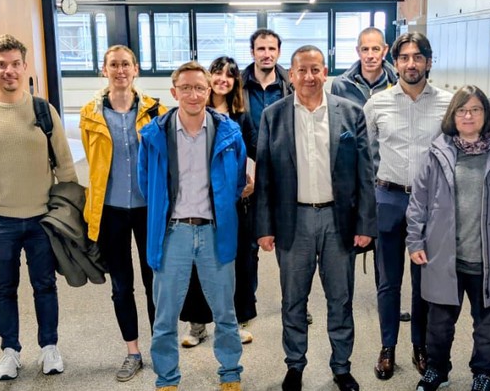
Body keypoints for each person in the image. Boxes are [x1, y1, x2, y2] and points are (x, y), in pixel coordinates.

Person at [255, 45, 376, 391]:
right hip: (294, 222)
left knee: (341, 298)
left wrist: (365, 224)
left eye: (316, 70)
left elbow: (365, 175)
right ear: (290, 76)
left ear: (326, 72)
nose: (309, 77)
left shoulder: (351, 114)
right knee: (293, 300)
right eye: (302, 71)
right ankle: (295, 365)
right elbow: (264, 177)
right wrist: (263, 228)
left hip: (338, 222)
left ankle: (341, 366)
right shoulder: (274, 116)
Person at [0, 34, 78, 381]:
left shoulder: (43, 110)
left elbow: (65, 166)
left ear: (25, 67)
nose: (8, 71)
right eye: (1, 65)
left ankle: (49, 347)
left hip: (41, 216)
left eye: (15, 64)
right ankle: (9, 351)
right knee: (4, 287)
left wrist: (67, 212)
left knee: (44, 285)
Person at [407, 85, 490, 391]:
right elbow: (419, 200)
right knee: (438, 325)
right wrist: (415, 240)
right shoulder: (438, 149)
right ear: (453, 115)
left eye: (475, 110)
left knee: (487, 326)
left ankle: (483, 373)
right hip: (445, 256)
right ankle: (437, 370)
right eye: (462, 110)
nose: (468, 116)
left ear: (485, 114)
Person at [138, 61, 247, 391]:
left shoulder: (228, 132)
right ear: (174, 92)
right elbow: (147, 184)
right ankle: (167, 378)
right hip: (174, 233)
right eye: (185, 88)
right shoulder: (155, 135)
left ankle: (230, 373)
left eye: (199, 88)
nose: (193, 94)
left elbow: (238, 178)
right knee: (166, 316)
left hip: (215, 231)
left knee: (226, 312)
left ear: (209, 90)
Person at [362, 32, 451, 380]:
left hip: (430, 204)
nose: (410, 63)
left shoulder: (448, 102)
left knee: (423, 281)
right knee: (388, 282)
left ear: (429, 61)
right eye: (404, 57)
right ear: (394, 62)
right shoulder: (377, 104)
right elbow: (361, 154)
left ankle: (420, 346)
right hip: (388, 199)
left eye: (418, 57)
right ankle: (388, 347)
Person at [78, 45, 165, 383]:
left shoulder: (156, 110)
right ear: (104, 70)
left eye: (125, 64)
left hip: (148, 208)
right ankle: (132, 351)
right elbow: (92, 161)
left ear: (136, 69)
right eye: (113, 65)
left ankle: (161, 345)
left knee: (153, 280)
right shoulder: (90, 113)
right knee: (120, 285)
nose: (120, 70)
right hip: (110, 208)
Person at [180, 56, 258, 348]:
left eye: (229, 75)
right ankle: (197, 324)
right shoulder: (194, 109)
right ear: (208, 76)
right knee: (196, 261)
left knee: (233, 262)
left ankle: (234, 322)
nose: (223, 79)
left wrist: (249, 181)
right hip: (197, 201)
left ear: (235, 82)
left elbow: (252, 152)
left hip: (233, 202)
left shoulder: (241, 116)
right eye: (217, 73)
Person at [241, 28, 291, 137]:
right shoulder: (238, 87)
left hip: (281, 153)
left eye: (272, 49)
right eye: (261, 49)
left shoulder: (291, 87)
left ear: (279, 52)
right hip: (247, 153)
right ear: (252, 52)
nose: (267, 54)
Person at [331, 27, 398, 106]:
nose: (370, 56)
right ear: (358, 51)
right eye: (365, 49)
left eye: (376, 49)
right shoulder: (341, 86)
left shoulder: (397, 85)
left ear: (385, 50)